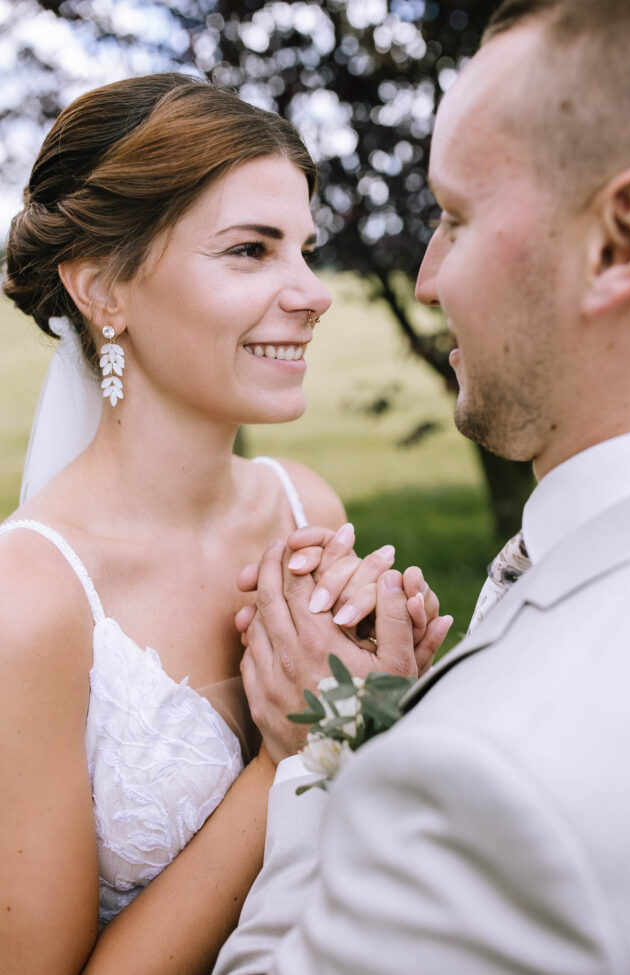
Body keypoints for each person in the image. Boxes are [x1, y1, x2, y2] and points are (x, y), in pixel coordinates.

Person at [214, 1, 630, 972]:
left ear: (617, 240)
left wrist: (330, 743)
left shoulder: (497, 787)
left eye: (452, 216)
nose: (422, 277)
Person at [0, 74, 448, 974]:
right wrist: (291, 750)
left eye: (304, 249)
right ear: (101, 289)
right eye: (251, 249)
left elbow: (347, 845)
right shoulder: (31, 607)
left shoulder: (303, 510)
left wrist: (395, 700)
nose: (313, 291)